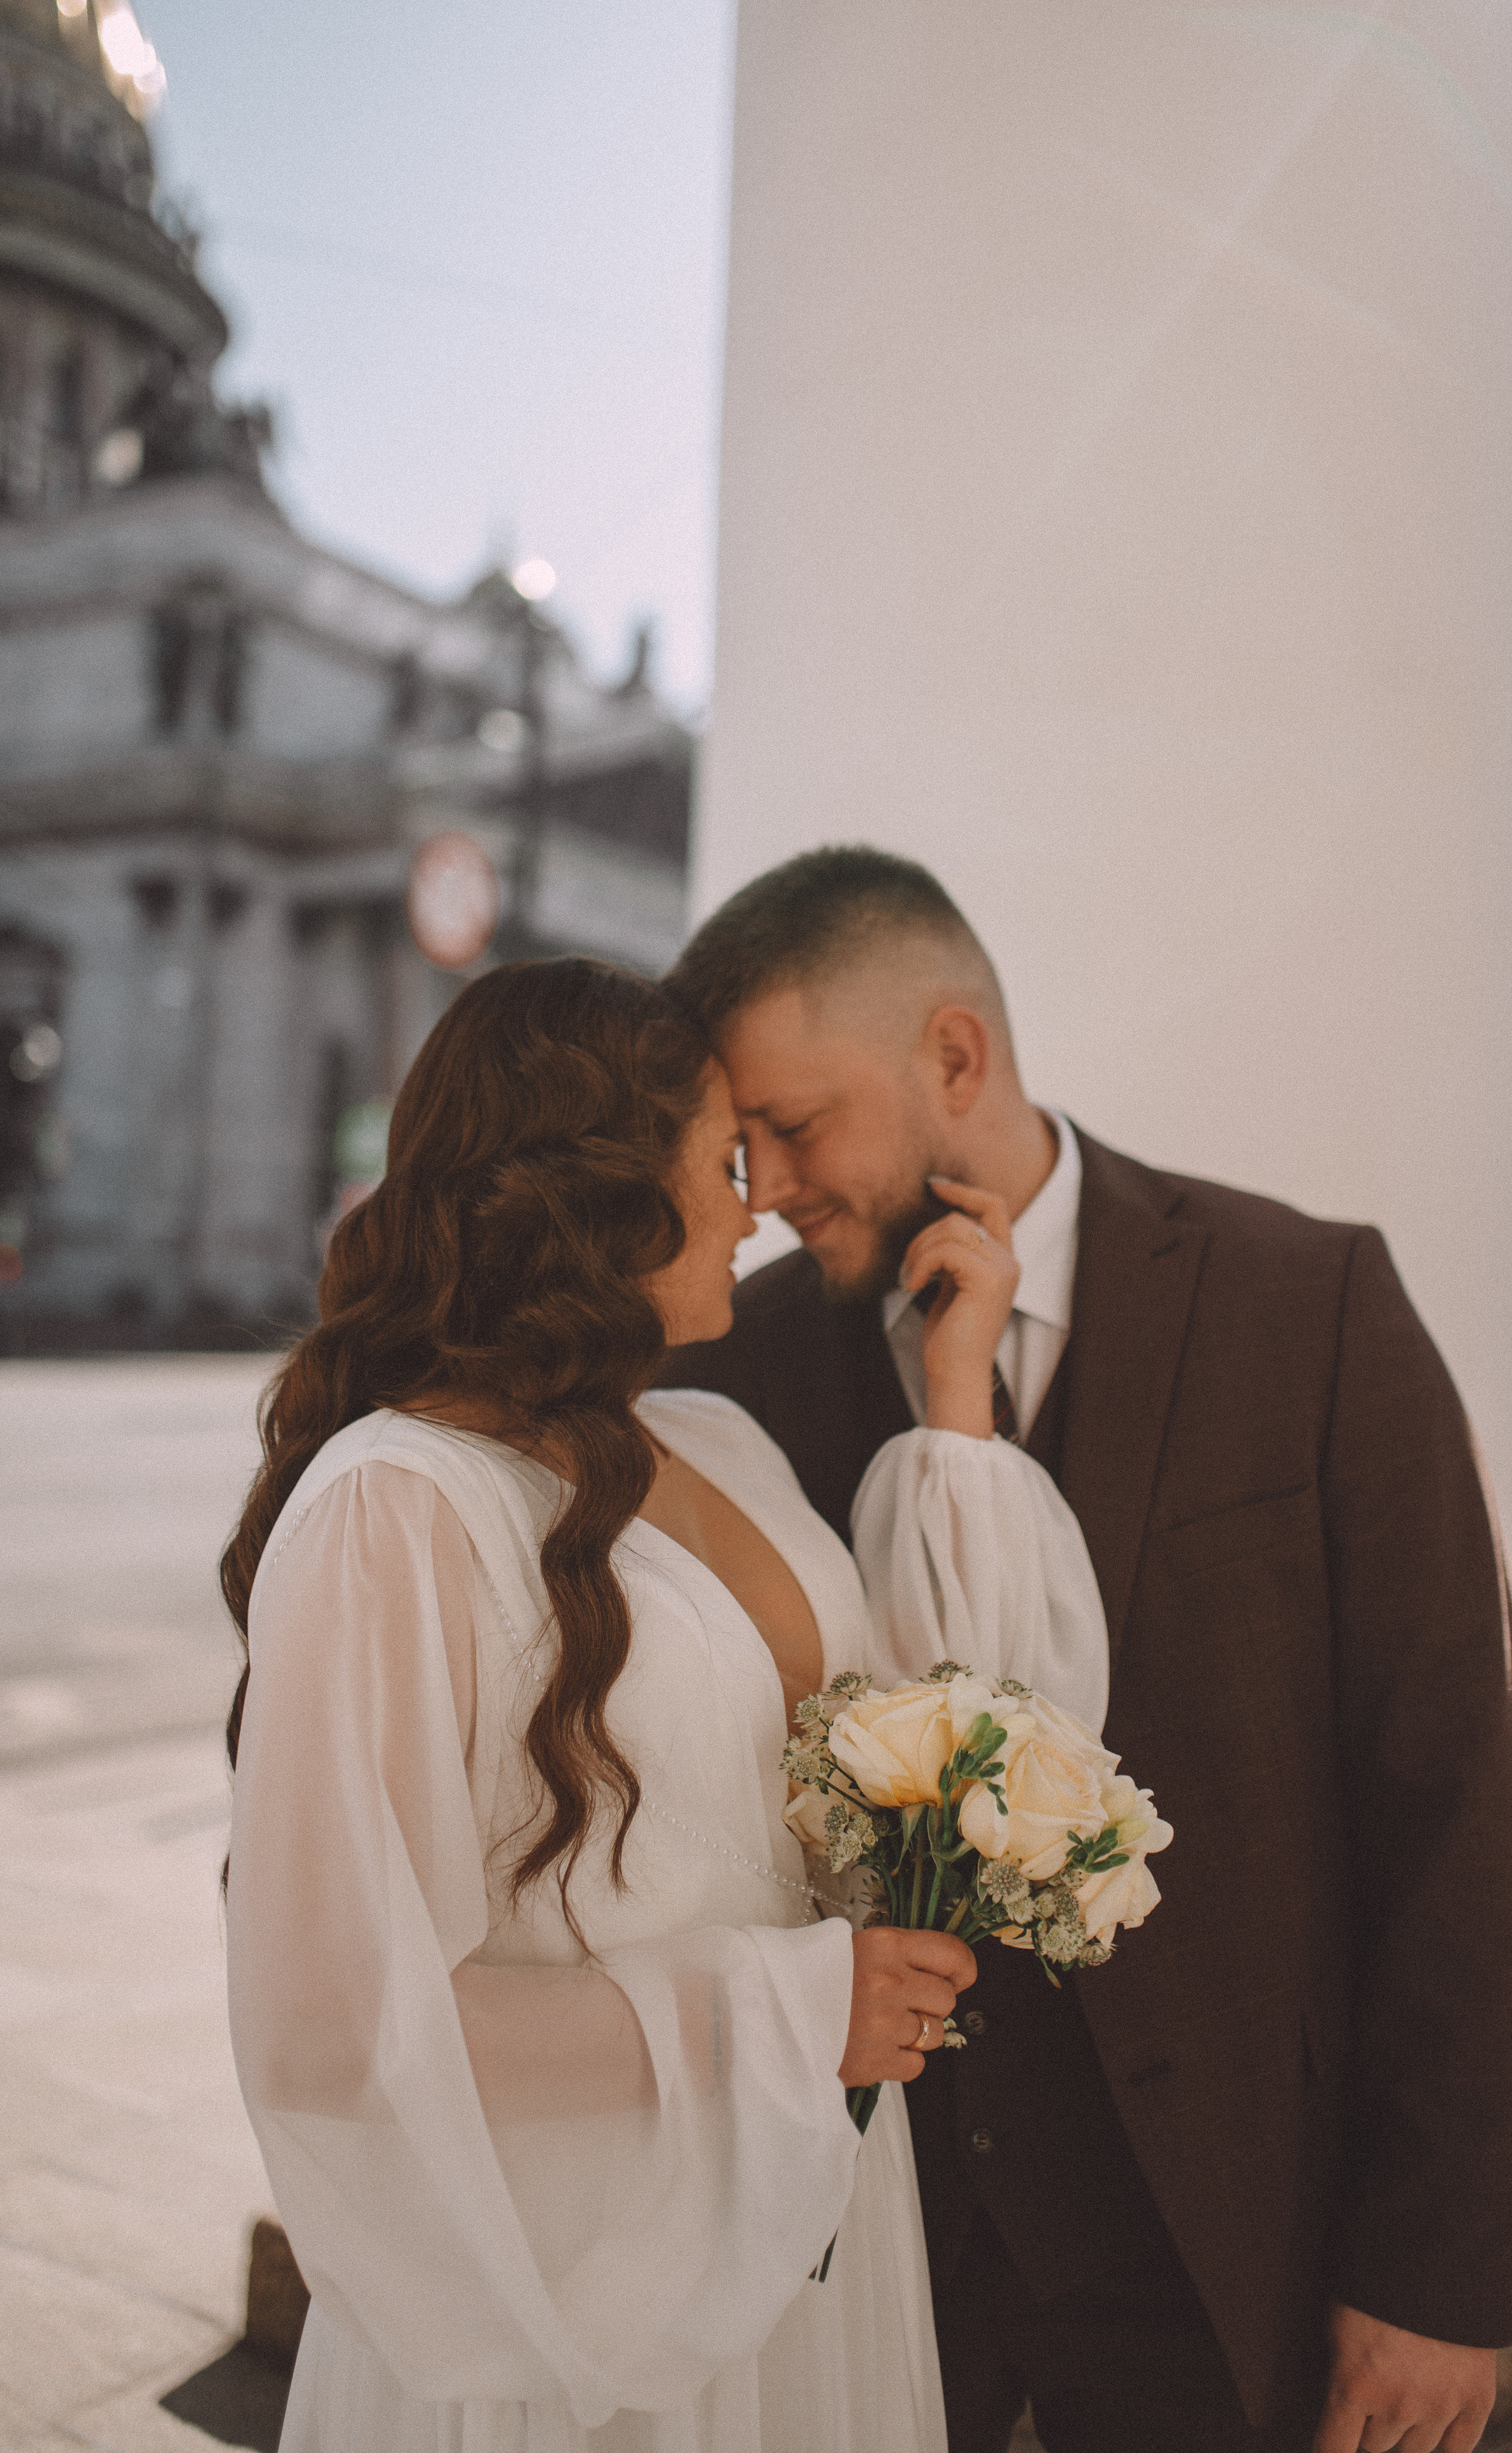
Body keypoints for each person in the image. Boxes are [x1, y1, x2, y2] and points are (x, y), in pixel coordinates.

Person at [658, 846, 1512, 2453]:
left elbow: (1457, 1807)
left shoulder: (1309, 1305)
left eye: (792, 1124)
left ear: (954, 1056)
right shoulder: (749, 1367)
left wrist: (1443, 2270)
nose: (761, 1186)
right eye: (736, 1143)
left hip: (1239, 2257)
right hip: (879, 2275)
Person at [221, 957, 1112, 2453]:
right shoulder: (396, 1506)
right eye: (721, 1158)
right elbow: (331, 2031)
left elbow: (955, 1726)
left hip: (803, 2234)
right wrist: (772, 2012)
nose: (756, 1200)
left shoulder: (716, 1442)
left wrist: (955, 1391)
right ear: (599, 1192)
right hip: (576, 2284)